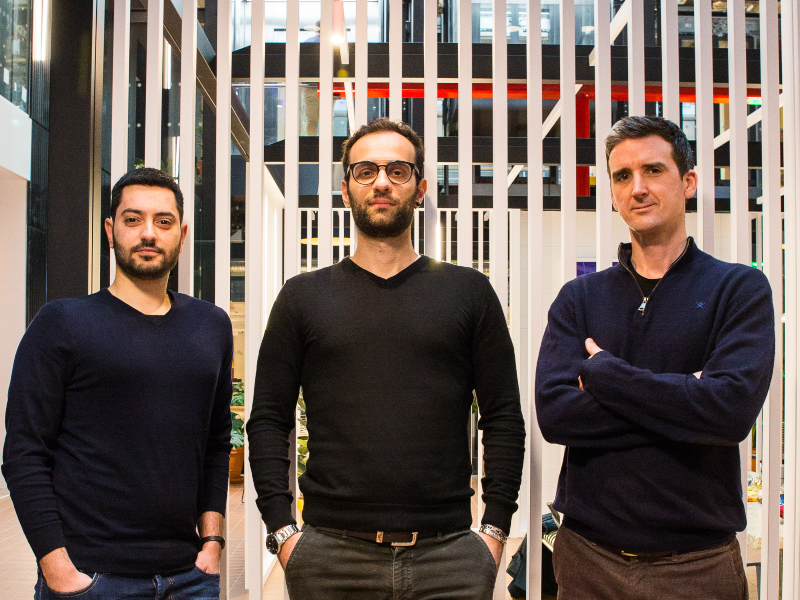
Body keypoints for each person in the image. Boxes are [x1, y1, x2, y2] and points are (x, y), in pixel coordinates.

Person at [248, 118, 526, 599]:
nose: (381, 181)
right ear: (345, 188)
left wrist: (494, 532)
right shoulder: (302, 298)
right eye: (366, 171)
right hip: (330, 558)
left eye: (397, 171)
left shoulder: (469, 293)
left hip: (451, 559)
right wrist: (282, 531)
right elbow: (269, 419)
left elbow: (503, 417)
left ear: (420, 188)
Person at [535, 115, 775, 600]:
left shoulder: (738, 289)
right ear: (611, 192)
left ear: (687, 182)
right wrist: (685, 396)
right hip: (588, 559)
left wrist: (603, 374)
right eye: (622, 176)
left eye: (653, 170)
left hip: (698, 567)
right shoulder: (579, 298)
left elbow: (728, 413)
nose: (637, 187)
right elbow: (557, 416)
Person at [2, 168, 233, 600]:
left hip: (189, 577)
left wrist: (212, 542)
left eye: (163, 222)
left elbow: (216, 442)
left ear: (182, 234)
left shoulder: (211, 325)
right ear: (110, 231)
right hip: (92, 578)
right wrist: (57, 567)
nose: (148, 233)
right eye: (132, 219)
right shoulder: (62, 323)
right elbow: (24, 452)